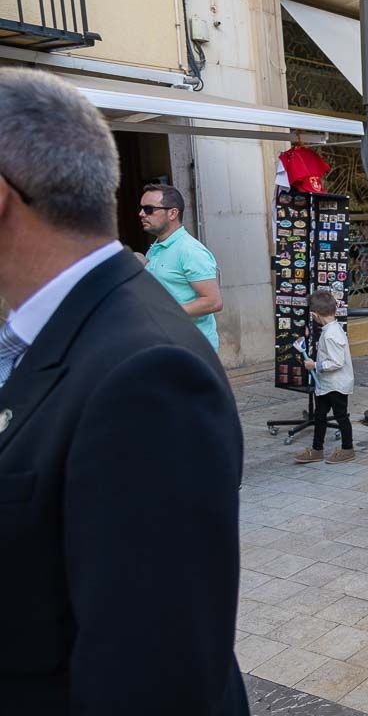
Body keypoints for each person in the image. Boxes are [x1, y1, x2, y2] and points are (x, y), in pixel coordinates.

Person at [0, 68, 247, 713]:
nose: (144, 216)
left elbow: (154, 673)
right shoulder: (61, 327)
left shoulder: (147, 378)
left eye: (152, 208)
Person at [140, 183, 223, 350]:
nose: (141, 214)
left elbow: (213, 302)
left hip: (193, 349)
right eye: (141, 208)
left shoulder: (190, 250)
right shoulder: (156, 248)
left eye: (149, 209)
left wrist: (164, 312)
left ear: (172, 213)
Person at [294, 290, 355, 464]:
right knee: (320, 415)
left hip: (336, 384)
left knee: (341, 416)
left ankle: (347, 448)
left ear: (314, 315)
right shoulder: (333, 330)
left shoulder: (330, 335)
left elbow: (337, 362)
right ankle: (317, 449)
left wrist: (315, 365)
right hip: (327, 383)